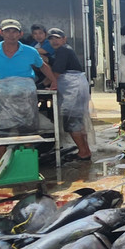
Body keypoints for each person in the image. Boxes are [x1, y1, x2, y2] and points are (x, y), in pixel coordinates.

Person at [0, 19, 56, 159]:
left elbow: (43, 66)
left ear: (21, 34)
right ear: (1, 33)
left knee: (27, 131)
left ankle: (26, 163)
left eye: (14, 32)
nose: (11, 35)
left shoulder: (30, 51)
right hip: (3, 96)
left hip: (26, 96)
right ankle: (3, 164)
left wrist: (54, 82)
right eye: (7, 31)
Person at [48, 27, 92, 162]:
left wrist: (48, 84)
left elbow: (56, 72)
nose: (54, 41)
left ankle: (83, 152)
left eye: (57, 38)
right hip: (76, 89)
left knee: (72, 122)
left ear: (64, 39)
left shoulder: (63, 50)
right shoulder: (64, 50)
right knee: (77, 121)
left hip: (73, 91)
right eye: (51, 39)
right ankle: (85, 150)